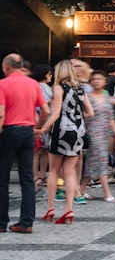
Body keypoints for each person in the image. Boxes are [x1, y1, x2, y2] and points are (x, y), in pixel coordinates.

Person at [38, 59, 95, 225]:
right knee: (69, 172)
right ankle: (69, 210)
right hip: (78, 132)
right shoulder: (80, 88)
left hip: (61, 131)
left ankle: (50, 208)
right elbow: (90, 112)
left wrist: (43, 129)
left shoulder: (58, 88)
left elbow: (55, 113)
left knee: (54, 171)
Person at [1, 53, 49, 233]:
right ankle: (26, 222)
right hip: (28, 131)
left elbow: (0, 113)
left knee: (2, 179)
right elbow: (45, 110)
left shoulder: (2, 84)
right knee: (27, 178)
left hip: (9, 131)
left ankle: (1, 222)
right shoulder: (33, 84)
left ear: (6, 66)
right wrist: (37, 127)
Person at [84, 71, 115, 203]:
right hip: (92, 131)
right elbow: (84, 114)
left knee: (93, 162)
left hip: (104, 132)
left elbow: (111, 117)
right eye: (94, 79)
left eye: (100, 79)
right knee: (102, 160)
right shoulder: (87, 96)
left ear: (105, 81)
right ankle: (107, 192)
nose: (97, 81)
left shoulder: (106, 96)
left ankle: (81, 188)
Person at [29, 63, 54, 188]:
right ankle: (35, 175)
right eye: (49, 73)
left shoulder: (48, 87)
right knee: (38, 150)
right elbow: (39, 104)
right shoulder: (38, 87)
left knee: (44, 150)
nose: (51, 76)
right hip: (40, 119)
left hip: (47, 120)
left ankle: (43, 174)